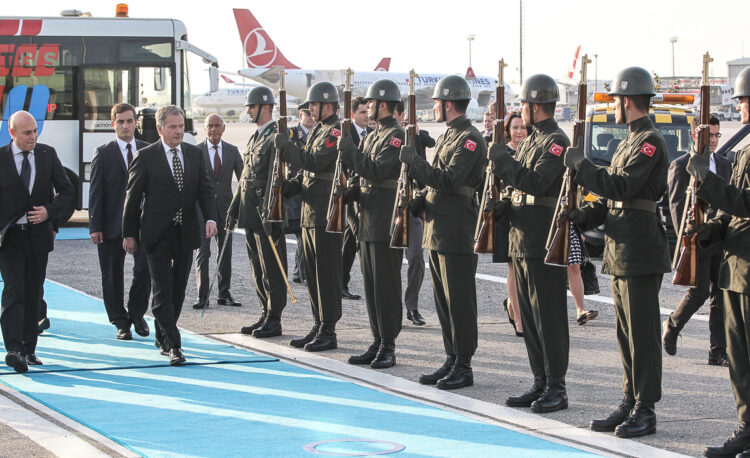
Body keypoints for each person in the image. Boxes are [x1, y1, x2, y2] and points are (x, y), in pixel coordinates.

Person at [564, 67, 670, 437]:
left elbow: (622, 185)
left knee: (641, 333)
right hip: (622, 247)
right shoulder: (626, 141)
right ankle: (630, 399)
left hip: (640, 248)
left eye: (615, 101)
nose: (613, 108)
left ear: (627, 101)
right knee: (625, 333)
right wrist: (583, 214)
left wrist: (581, 165)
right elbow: (611, 197)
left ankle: (646, 407)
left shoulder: (650, 141)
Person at [489, 74, 570, 413]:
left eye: (523, 104)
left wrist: (504, 160)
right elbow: (519, 184)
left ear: (536, 106)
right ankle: (540, 380)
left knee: (548, 315)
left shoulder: (555, 141)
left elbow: (537, 181)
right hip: (522, 237)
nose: (520, 111)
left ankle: (557, 386)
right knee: (531, 317)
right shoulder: (535, 140)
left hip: (542, 240)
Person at [399, 75, 485, 390]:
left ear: (448, 104)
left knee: (459, 300)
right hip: (438, 227)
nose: (434, 107)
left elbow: (449, 180)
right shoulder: (451, 135)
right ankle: (451, 357)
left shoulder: (470, 138)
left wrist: (414, 161)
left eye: (436, 102)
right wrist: (421, 198)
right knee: (444, 301)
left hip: (457, 228)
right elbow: (438, 183)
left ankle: (464, 363)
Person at [122, 105, 218, 366]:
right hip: (155, 234)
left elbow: (205, 190)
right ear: (160, 128)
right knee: (162, 289)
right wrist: (129, 234)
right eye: (173, 127)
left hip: (185, 232)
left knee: (177, 290)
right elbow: (132, 200)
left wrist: (210, 218)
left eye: (181, 126)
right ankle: (175, 346)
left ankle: (163, 333)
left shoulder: (195, 155)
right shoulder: (146, 156)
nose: (178, 131)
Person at [693, 66, 750, 458]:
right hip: (735, 266)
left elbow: (746, 203)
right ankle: (747, 427)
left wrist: (709, 183)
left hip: (748, 270)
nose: (740, 106)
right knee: (739, 358)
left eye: (743, 99)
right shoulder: (745, 149)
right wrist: (712, 229)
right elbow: (735, 211)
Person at [338, 79, 406, 369]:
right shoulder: (372, 135)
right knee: (371, 285)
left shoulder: (396, 136)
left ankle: (389, 344)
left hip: (384, 220)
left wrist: (350, 150)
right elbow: (361, 176)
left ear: (384, 105)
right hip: (366, 218)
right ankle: (377, 339)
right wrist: (347, 192)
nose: (366, 107)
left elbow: (377, 170)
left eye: (371, 103)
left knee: (386, 286)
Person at [0, 110, 74, 372]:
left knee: (33, 293)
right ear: (12, 133)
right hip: (9, 239)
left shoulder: (47, 154)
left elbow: (67, 192)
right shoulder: (1, 158)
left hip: (37, 237)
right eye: (27, 132)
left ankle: (29, 349)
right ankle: (14, 348)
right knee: (13, 291)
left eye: (35, 131)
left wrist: (49, 213)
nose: (33, 136)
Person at [273, 81, 343, 352]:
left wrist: (287, 147)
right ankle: (318, 323)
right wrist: (288, 187)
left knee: (326, 274)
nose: (310, 109)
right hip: (310, 210)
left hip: (326, 211)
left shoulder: (335, 131)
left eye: (314, 104)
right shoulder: (318, 131)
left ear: (328, 105)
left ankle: (329, 328)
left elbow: (315, 163)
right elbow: (305, 171)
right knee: (312, 274)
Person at [663, 115, 730, 366]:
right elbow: (677, 205)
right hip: (698, 239)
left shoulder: (724, 164)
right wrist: (688, 235)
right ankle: (672, 324)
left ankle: (717, 350)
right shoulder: (682, 164)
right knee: (700, 291)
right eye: (709, 135)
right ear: (695, 135)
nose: (713, 140)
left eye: (716, 135)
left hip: (721, 237)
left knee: (720, 295)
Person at [227, 86, 288, 338]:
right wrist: (233, 208)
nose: (249, 111)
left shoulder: (277, 135)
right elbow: (244, 178)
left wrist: (271, 211)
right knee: (257, 266)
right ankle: (265, 311)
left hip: (267, 211)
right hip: (250, 210)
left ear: (265, 107)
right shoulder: (255, 137)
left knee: (272, 266)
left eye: (251, 107)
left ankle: (275, 317)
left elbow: (278, 177)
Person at [89, 103, 152, 340]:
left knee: (144, 270)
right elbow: (95, 192)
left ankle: (136, 314)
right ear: (113, 124)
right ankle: (120, 321)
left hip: (142, 225)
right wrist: (95, 226)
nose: (125, 126)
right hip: (110, 225)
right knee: (112, 275)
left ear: (136, 122)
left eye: (129, 121)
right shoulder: (103, 153)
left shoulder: (148, 150)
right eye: (120, 121)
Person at [192, 114, 243, 310]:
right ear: (205, 129)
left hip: (225, 210)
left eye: (217, 126)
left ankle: (224, 293)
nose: (214, 129)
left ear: (223, 128)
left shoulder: (232, 151)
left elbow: (243, 180)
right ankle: (202, 295)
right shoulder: (196, 151)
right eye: (210, 126)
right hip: (202, 212)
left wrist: (237, 206)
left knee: (225, 252)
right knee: (203, 253)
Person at [394, 99, 434, 326]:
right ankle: (392, 308)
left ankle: (412, 306)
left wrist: (416, 132)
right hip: (392, 206)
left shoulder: (419, 135)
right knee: (391, 260)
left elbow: (431, 142)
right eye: (405, 119)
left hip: (414, 204)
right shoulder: (391, 137)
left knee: (417, 257)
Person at [492, 111, 527, 337]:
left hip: (526, 214)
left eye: (523, 127)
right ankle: (518, 317)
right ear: (508, 131)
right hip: (507, 212)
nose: (519, 132)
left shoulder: (531, 150)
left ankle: (514, 306)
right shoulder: (502, 152)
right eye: (515, 127)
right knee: (513, 266)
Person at [340, 97, 370, 301]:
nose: (366, 116)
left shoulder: (371, 134)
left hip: (363, 193)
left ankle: (340, 283)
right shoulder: (348, 134)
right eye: (362, 113)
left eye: (368, 112)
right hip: (350, 195)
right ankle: (370, 281)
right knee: (358, 235)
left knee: (349, 242)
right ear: (353, 115)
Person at [287, 105, 315, 284]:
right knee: (300, 233)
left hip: (309, 190)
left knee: (303, 235)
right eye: (308, 114)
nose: (312, 117)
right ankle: (301, 272)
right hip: (294, 191)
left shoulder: (317, 134)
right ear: (300, 115)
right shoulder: (292, 133)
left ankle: (300, 272)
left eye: (313, 114)